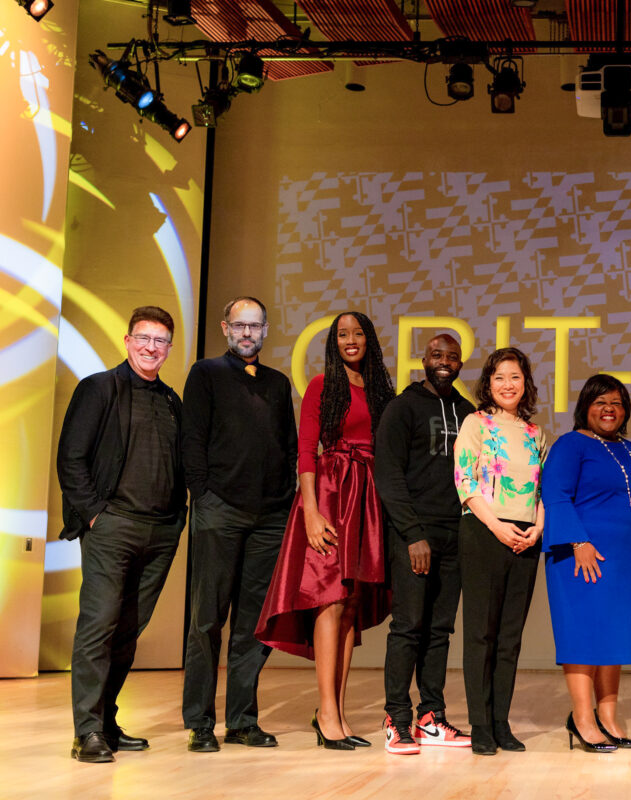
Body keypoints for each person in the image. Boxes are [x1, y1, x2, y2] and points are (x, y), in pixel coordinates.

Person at [256, 312, 393, 750]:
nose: (350, 340)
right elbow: (306, 450)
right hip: (331, 495)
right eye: (342, 334)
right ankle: (326, 713)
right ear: (333, 343)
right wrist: (311, 512)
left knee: (350, 603)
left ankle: (336, 710)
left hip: (368, 499)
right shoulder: (321, 385)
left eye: (357, 333)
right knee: (328, 599)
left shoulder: (381, 391)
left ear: (369, 340)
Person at [58, 306, 187, 763]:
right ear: (128, 340)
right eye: (144, 338)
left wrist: (179, 517)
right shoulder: (98, 388)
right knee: (98, 627)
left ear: (169, 348)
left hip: (162, 530)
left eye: (161, 341)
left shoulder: (172, 399)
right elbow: (71, 458)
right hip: (113, 527)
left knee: (129, 631)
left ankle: (107, 722)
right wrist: (95, 516)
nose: (152, 347)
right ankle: (86, 732)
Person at [181, 297, 297, 753]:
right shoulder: (205, 374)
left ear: (266, 329)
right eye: (239, 326)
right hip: (220, 510)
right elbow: (192, 440)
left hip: (269, 517)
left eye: (255, 326)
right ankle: (200, 723)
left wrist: (285, 501)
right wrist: (203, 495)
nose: (247, 334)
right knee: (207, 620)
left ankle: (243, 720)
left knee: (253, 625)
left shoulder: (277, 383)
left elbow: (288, 447)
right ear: (226, 328)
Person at [542, 375, 631, 754]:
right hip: (581, 557)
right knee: (584, 636)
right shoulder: (570, 445)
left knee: (614, 637)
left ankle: (608, 718)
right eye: (601, 402)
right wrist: (579, 541)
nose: (610, 409)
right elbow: (555, 494)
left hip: (623, 560)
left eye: (618, 403)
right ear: (585, 406)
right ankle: (582, 719)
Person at [375, 334, 475, 755]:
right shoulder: (403, 407)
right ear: (423, 359)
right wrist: (413, 534)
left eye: (452, 357)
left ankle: (430, 717)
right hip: (414, 535)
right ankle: (396, 719)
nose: (444, 362)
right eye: (437, 355)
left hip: (456, 535)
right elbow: (389, 475)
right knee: (408, 626)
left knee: (440, 629)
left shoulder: (468, 412)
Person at [453, 347, 546, 756]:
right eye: (499, 377)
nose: (507, 385)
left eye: (515, 377)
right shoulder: (476, 424)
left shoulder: (535, 433)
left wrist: (537, 528)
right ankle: (480, 725)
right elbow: (465, 481)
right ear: (487, 384)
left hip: (526, 539)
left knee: (510, 638)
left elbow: (543, 491)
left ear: (525, 384)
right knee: (481, 634)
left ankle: (501, 723)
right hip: (484, 532)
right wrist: (498, 527)